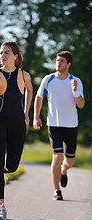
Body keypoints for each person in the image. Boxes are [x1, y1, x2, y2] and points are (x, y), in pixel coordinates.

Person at [0, 41, 33, 220]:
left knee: (12, 165)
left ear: (15, 56)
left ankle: (0, 173)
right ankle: (1, 206)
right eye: (1, 53)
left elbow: (29, 90)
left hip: (17, 123)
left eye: (6, 53)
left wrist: (26, 112)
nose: (2, 56)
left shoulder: (24, 75)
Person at [33, 51, 85, 201]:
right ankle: (56, 190)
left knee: (69, 161)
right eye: (57, 60)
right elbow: (39, 97)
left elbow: (81, 105)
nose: (58, 63)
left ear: (68, 64)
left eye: (62, 61)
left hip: (71, 125)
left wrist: (75, 92)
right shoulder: (48, 79)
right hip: (54, 124)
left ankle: (64, 170)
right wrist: (36, 117)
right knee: (57, 156)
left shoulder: (75, 81)